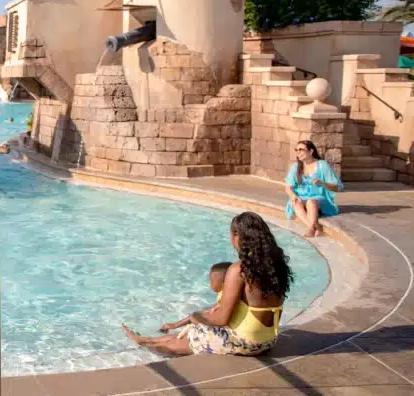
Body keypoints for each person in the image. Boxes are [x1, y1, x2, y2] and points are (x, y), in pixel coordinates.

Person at [123, 212, 292, 357]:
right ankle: (146, 339)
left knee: (184, 338)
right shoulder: (277, 266)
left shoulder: (239, 270)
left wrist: (196, 317)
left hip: (246, 343)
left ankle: (146, 345)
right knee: (194, 330)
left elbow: (221, 319)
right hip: (268, 341)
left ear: (237, 235)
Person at [119, 262, 232, 352]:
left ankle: (145, 342)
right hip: (212, 331)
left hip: (217, 337)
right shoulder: (226, 295)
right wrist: (174, 325)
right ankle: (145, 340)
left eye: (211, 281)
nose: (210, 284)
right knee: (174, 337)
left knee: (168, 346)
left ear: (223, 284)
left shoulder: (225, 297)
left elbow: (213, 317)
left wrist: (194, 320)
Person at [286, 140, 342, 238]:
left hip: (319, 198)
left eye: (301, 150)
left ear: (311, 151)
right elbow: (288, 188)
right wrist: (293, 196)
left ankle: (312, 228)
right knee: (295, 202)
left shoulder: (322, 165)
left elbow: (336, 187)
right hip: (302, 198)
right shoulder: (296, 167)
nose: (298, 152)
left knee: (311, 202)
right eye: (296, 150)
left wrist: (322, 183)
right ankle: (313, 227)